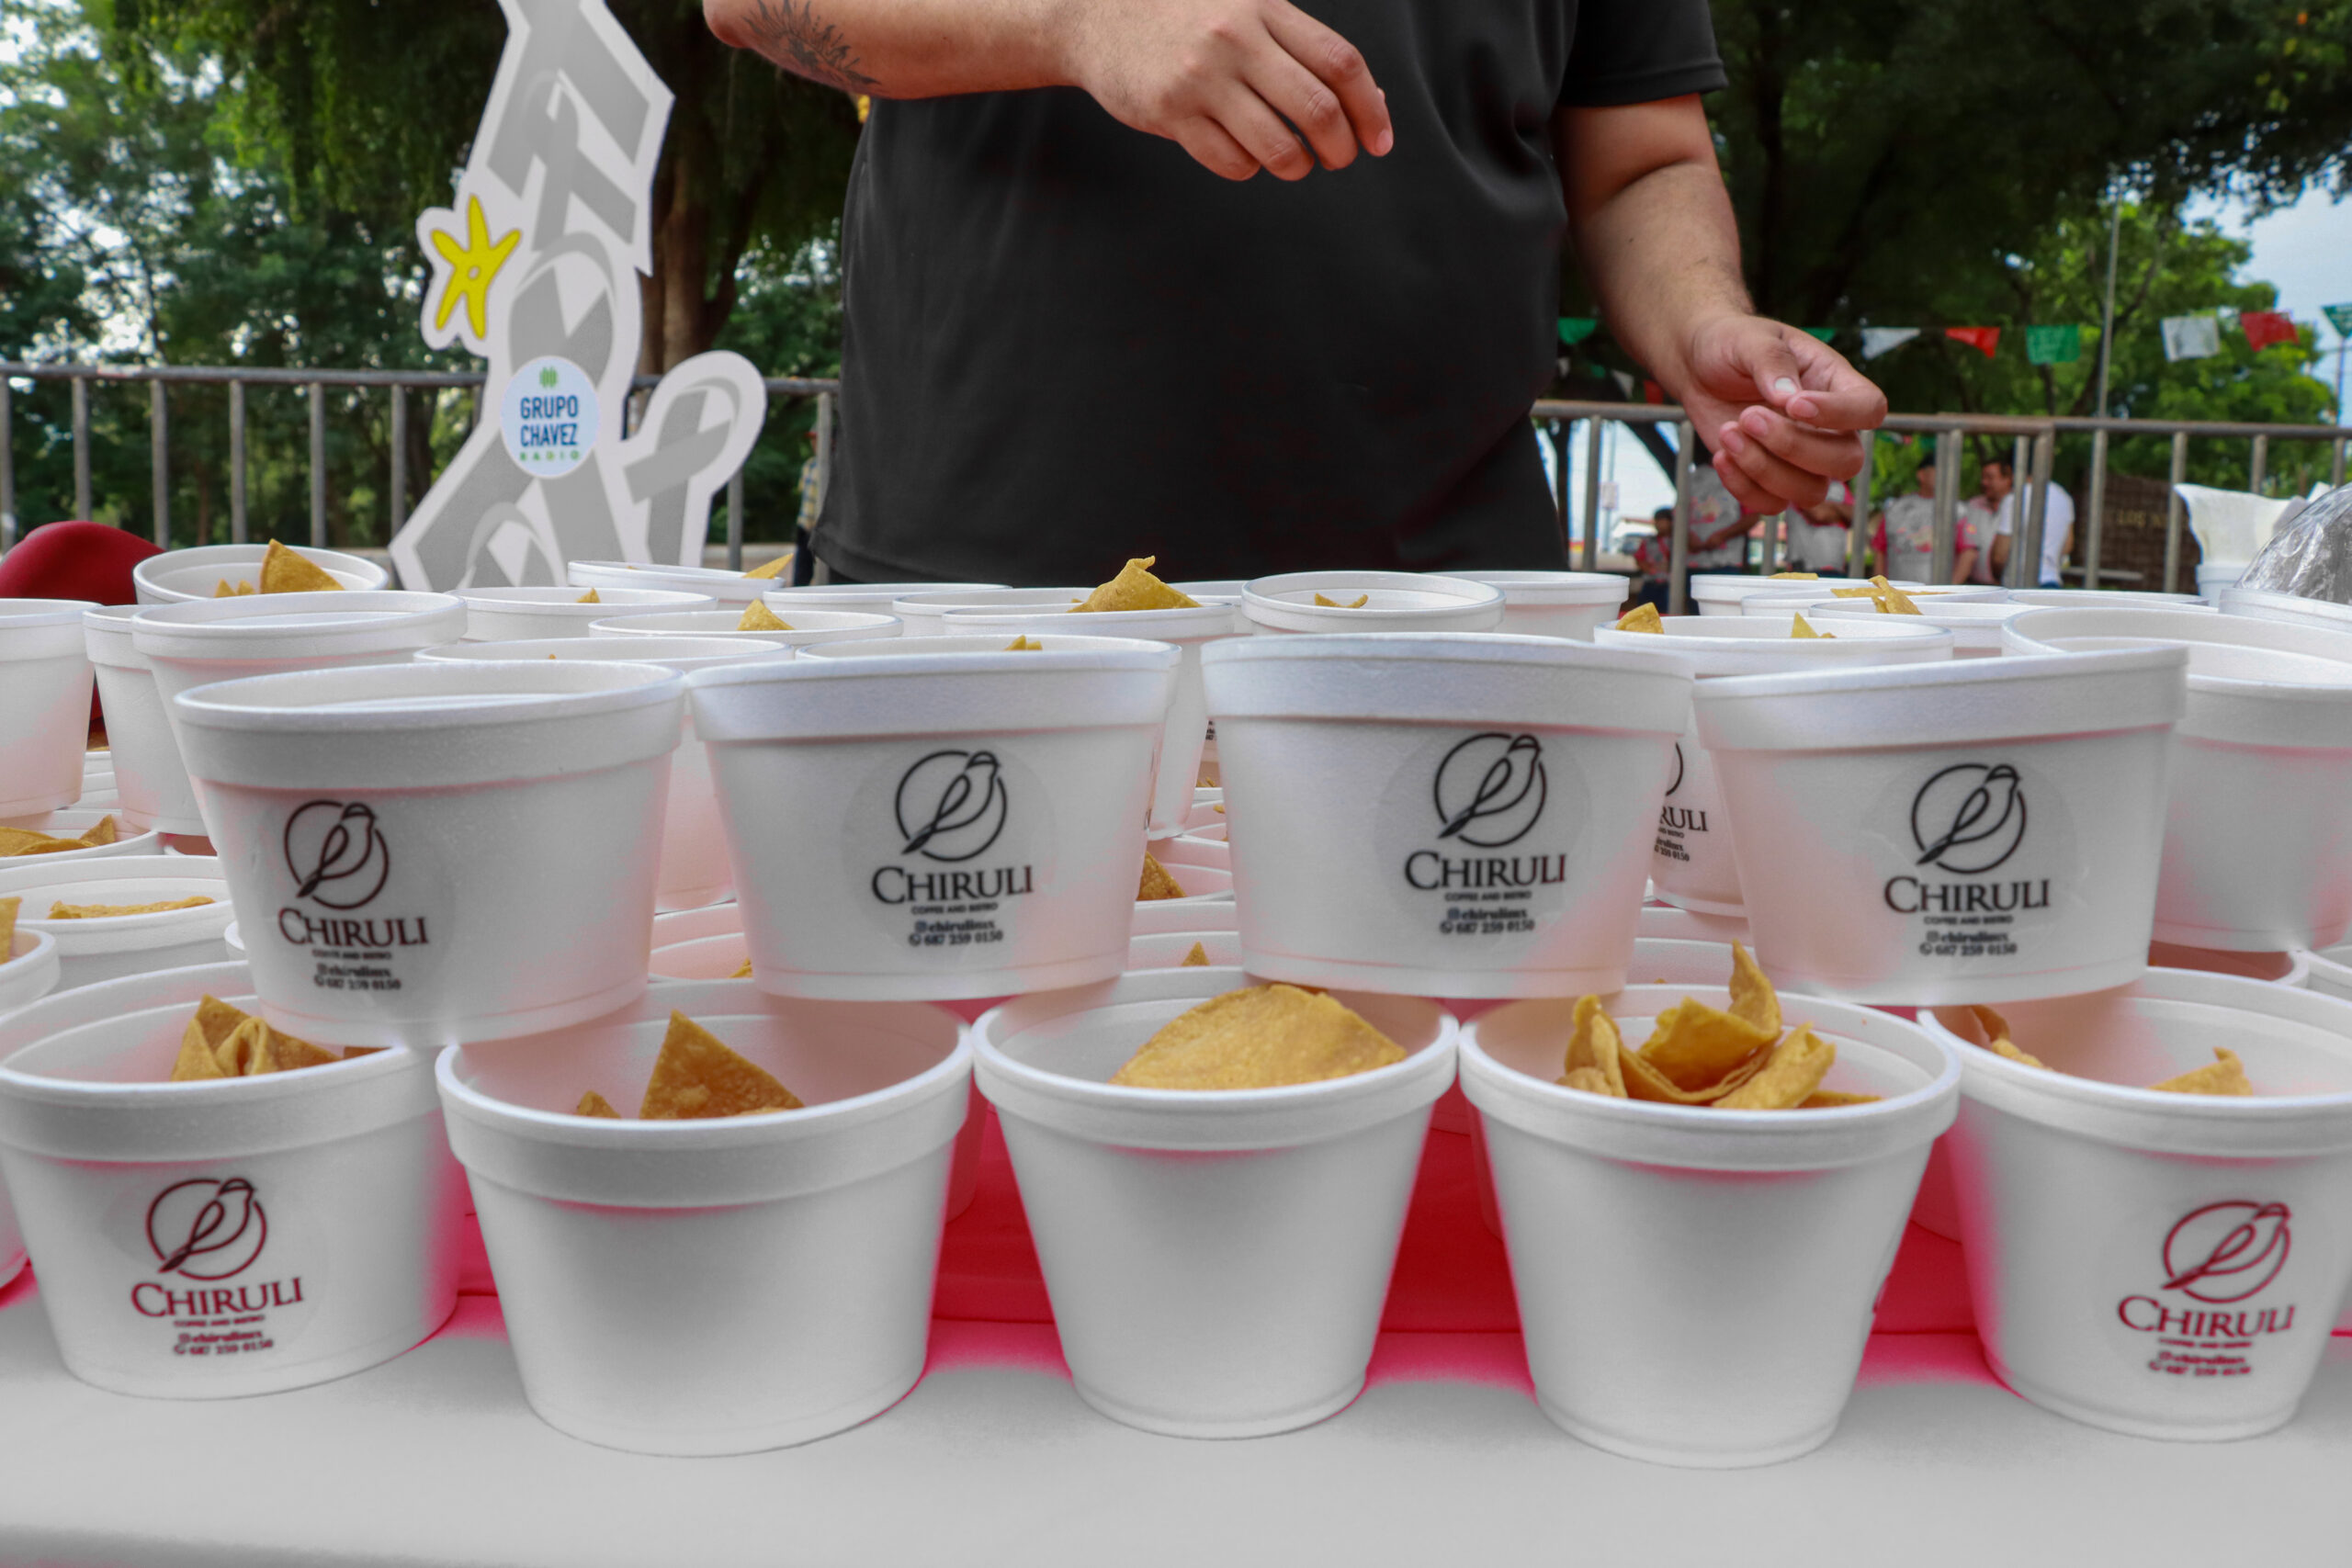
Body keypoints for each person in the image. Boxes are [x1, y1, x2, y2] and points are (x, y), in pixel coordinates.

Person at [706, 0, 1885, 584]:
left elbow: (1641, 158)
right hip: (976, 588)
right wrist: (1081, 26)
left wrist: (1704, 322)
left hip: (1446, 607)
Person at [1869, 459, 1976, 584]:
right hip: (1898, 591)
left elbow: (1968, 553)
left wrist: (1950, 589)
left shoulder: (1958, 510)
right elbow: (1880, 550)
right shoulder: (1897, 508)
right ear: (1921, 474)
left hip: (1939, 593)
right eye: (1939, 470)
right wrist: (1881, 587)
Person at [1984, 455, 2075, 589]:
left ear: (2012, 469)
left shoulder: (2015, 498)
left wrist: (1997, 575)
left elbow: (2000, 555)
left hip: (2019, 584)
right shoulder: (2063, 497)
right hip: (2052, 582)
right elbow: (2067, 546)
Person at [1781, 479, 1852, 575]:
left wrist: (1829, 505)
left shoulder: (1839, 485)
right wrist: (1840, 512)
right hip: (1805, 569)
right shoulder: (1799, 481)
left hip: (1835, 569)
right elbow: (1819, 514)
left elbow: (1854, 515)